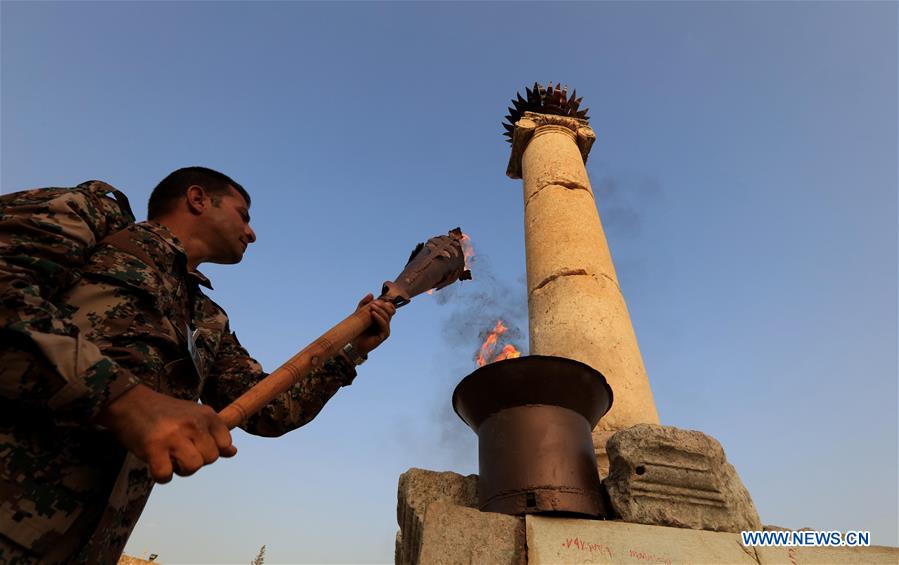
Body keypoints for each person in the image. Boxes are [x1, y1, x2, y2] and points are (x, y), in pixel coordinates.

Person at [0, 167, 396, 563]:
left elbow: (270, 409)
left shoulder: (207, 319)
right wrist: (123, 400)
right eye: (244, 215)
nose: (252, 233)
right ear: (198, 198)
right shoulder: (98, 220)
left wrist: (351, 351)